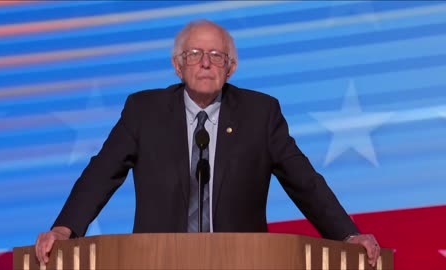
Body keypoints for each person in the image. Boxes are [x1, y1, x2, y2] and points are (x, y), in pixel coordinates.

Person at [35, 19, 381, 267]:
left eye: (217, 56)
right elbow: (101, 174)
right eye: (195, 53)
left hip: (243, 262)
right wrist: (64, 229)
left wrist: (347, 236)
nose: (205, 62)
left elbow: (305, 182)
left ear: (230, 68)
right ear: (177, 65)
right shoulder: (145, 111)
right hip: (155, 261)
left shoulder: (261, 113)